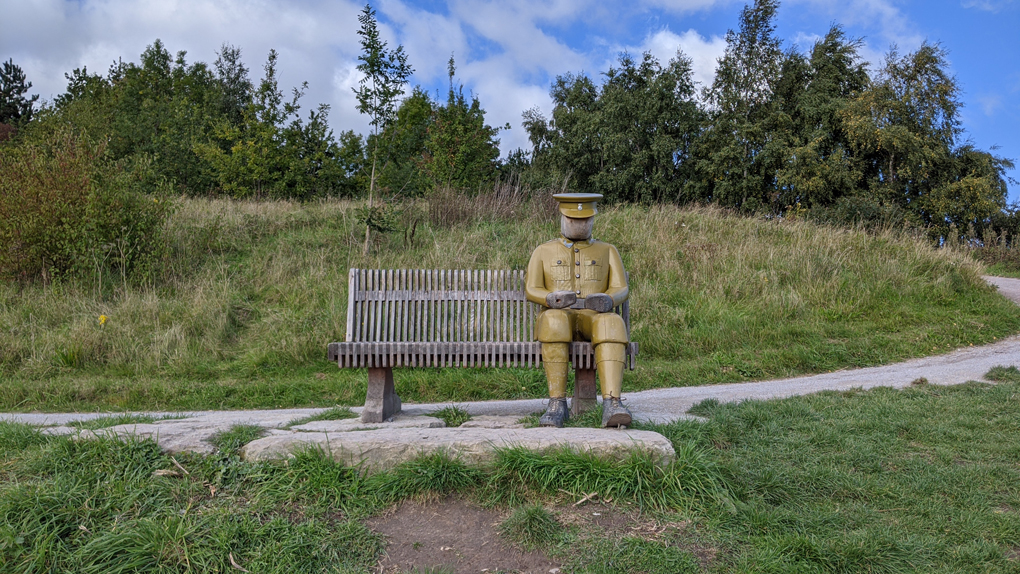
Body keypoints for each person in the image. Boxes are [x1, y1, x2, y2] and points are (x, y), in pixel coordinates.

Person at [525, 193, 632, 428]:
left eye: (585, 220)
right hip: (558, 314)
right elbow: (531, 288)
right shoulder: (543, 251)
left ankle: (612, 404)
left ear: (593, 219)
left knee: (611, 322)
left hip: (592, 316)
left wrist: (609, 298)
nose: (579, 225)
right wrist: (549, 298)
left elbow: (621, 286)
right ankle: (557, 405)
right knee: (553, 320)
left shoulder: (607, 250)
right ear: (562, 218)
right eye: (573, 220)